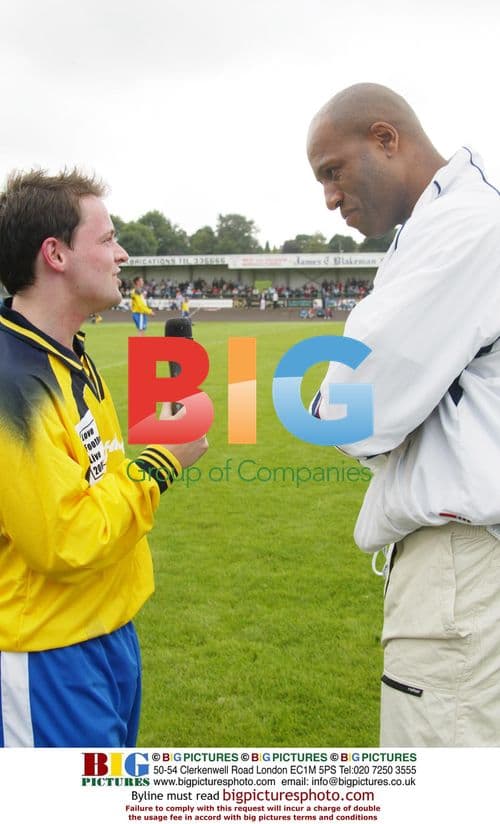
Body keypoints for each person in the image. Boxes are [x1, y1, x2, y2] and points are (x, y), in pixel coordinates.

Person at [307, 83, 500, 747]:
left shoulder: (466, 225)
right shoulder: (444, 221)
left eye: (333, 171)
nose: (330, 197)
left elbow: (347, 408)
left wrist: (354, 410)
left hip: (462, 570)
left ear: (386, 139)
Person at [0, 168, 208, 747]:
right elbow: (63, 537)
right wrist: (163, 463)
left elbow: (99, 482)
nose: (121, 253)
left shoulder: (70, 355)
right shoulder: (12, 380)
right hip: (47, 652)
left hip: (107, 630)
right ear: (56, 254)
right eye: (107, 238)